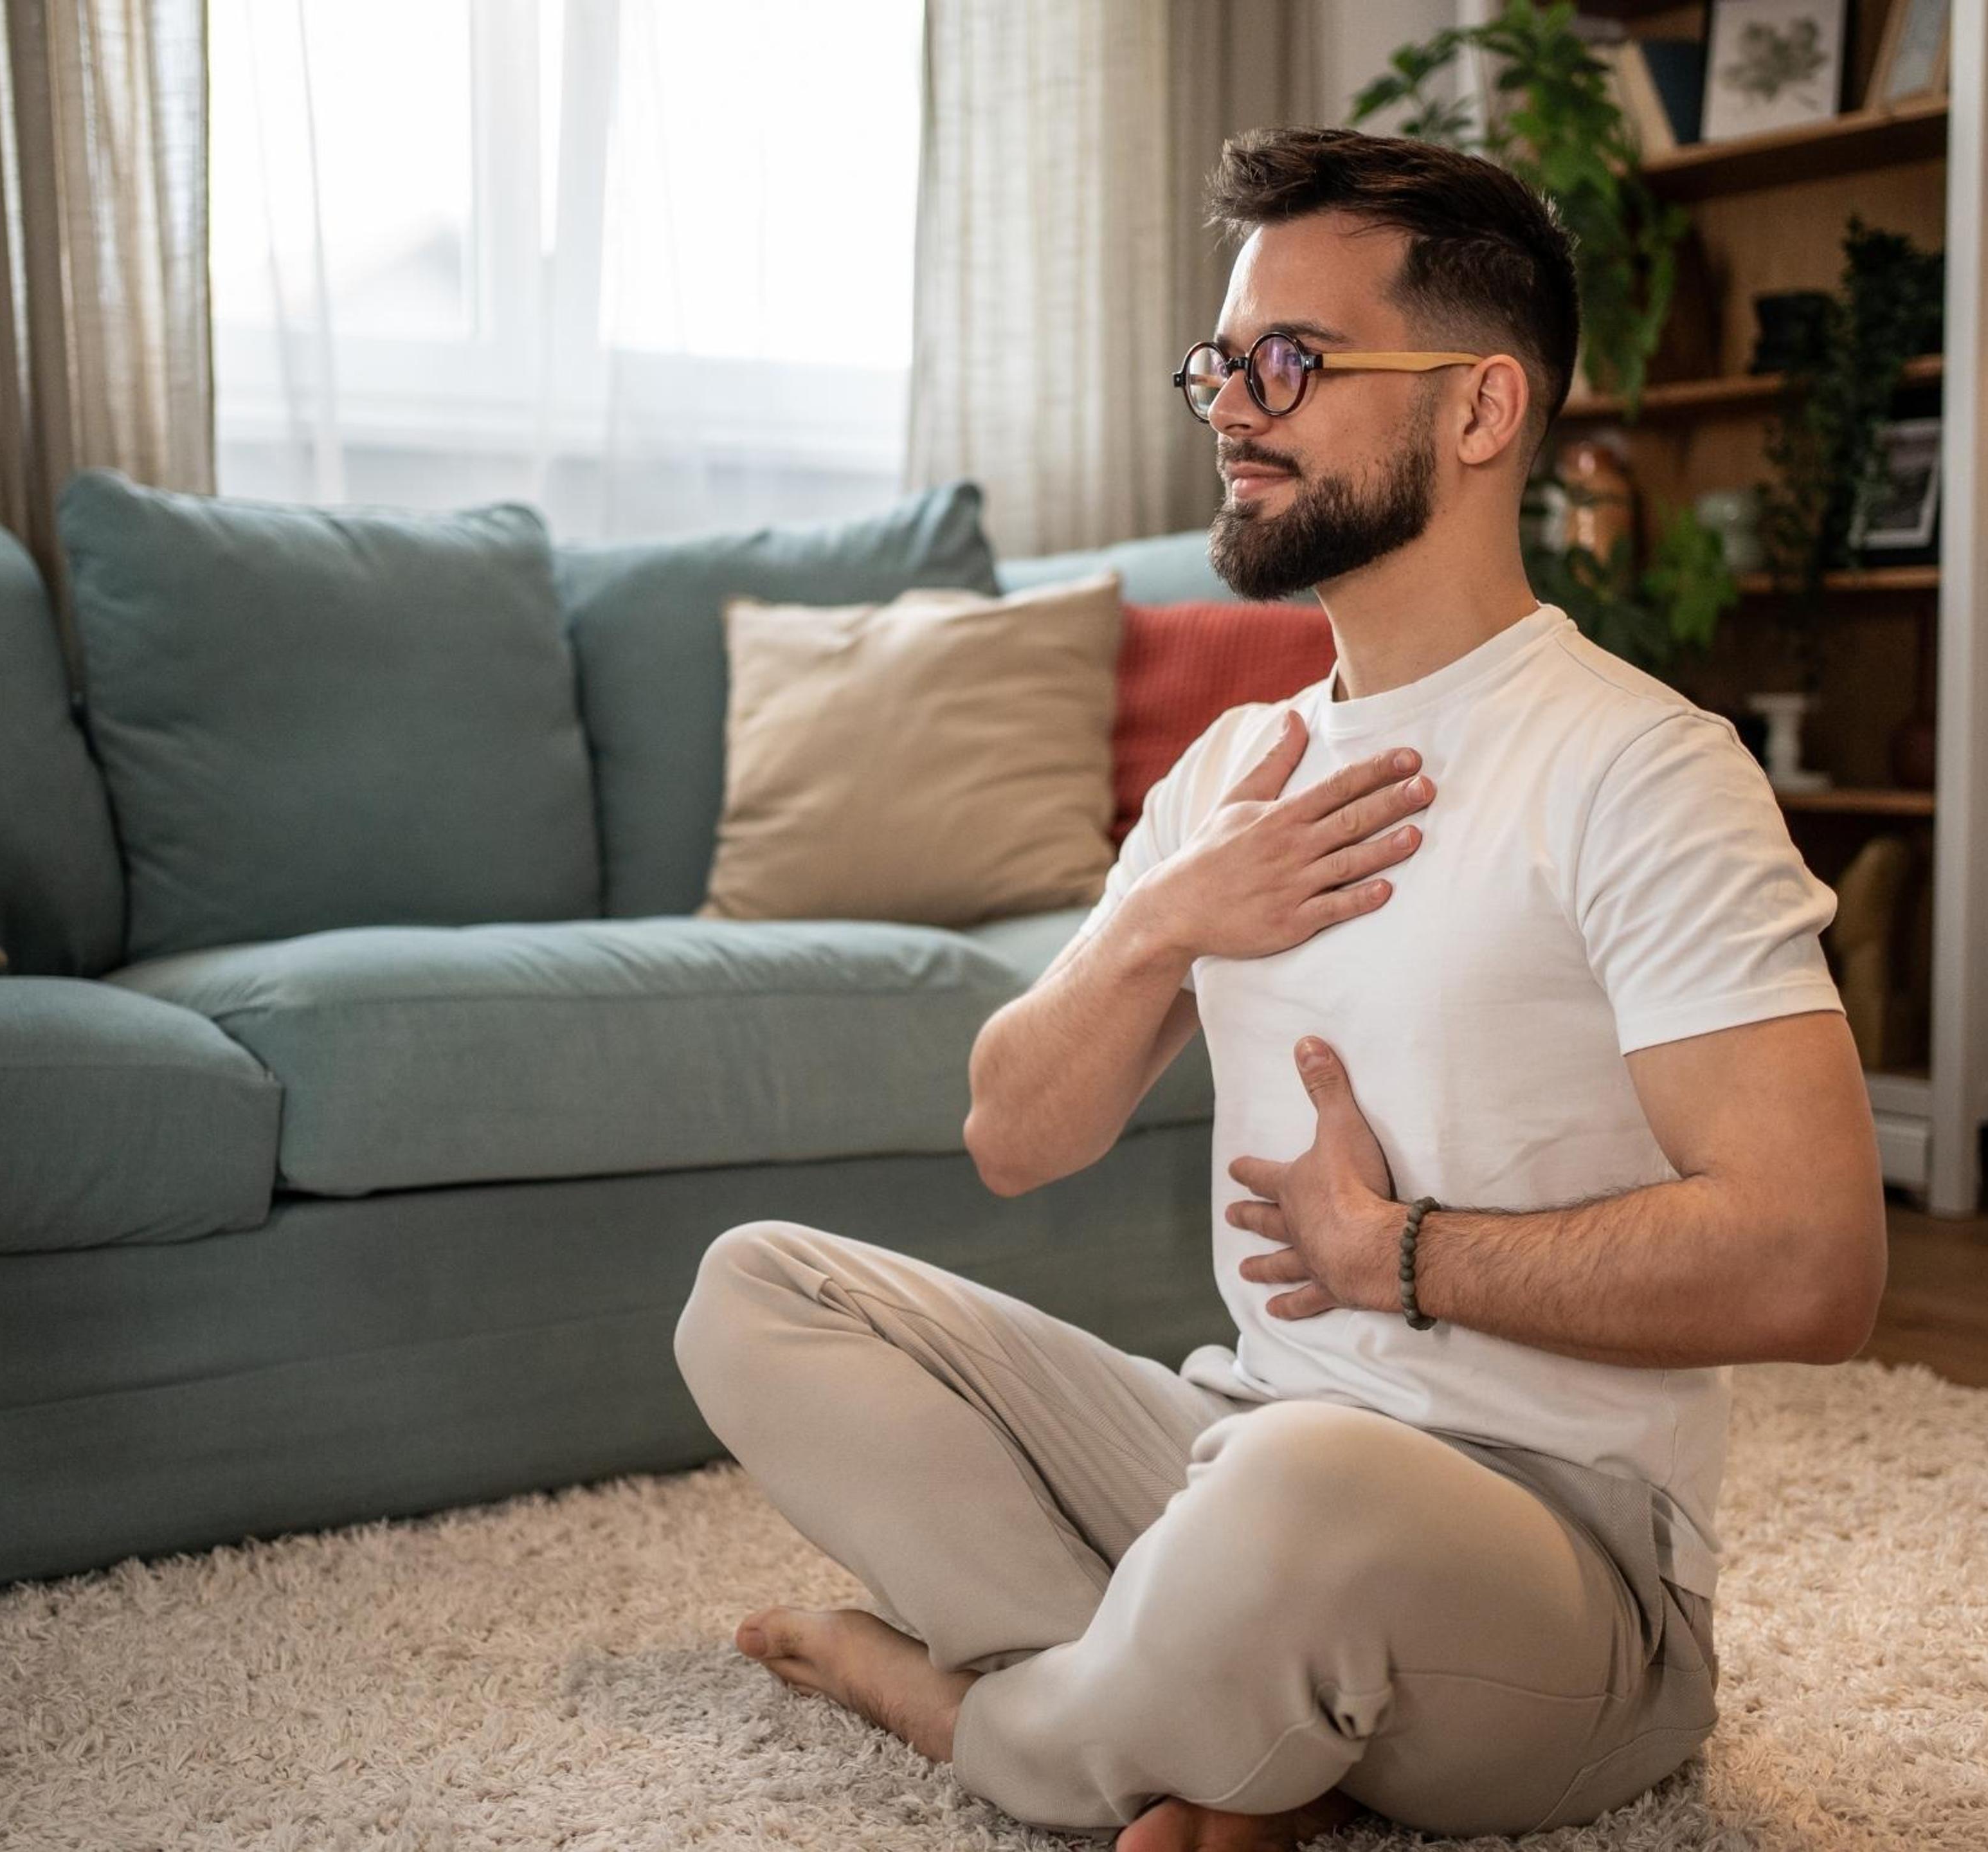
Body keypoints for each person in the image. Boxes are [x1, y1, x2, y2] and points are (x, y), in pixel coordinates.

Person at [671, 125, 1886, 1852]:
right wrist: (1165, 918)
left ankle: (974, 1713)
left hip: (1563, 1565)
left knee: (1304, 1499)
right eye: (1221, 365)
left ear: (1480, 412)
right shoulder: (1240, 764)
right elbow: (1016, 1134)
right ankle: (1229, 1731)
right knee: (757, 1294)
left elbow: (1816, 1264)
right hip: (1236, 1452)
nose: (1234, 408)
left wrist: (1397, 1256)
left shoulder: (1641, 771)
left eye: (1292, 363)